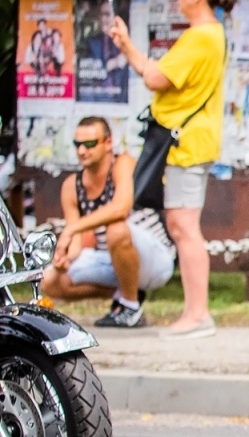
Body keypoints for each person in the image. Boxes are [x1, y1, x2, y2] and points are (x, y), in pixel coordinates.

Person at [109, 0, 234, 339]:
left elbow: (155, 77)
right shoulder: (212, 34)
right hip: (191, 142)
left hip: (186, 145)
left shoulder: (201, 36)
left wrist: (128, 47)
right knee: (182, 227)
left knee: (184, 228)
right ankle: (195, 313)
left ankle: (197, 314)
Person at [42, 116, 173, 327]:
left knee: (116, 229)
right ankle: (125, 295)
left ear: (108, 143)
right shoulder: (71, 186)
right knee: (50, 281)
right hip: (113, 261)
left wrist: (71, 229)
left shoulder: (123, 164)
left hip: (155, 260)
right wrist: (61, 260)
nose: (82, 150)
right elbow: (75, 245)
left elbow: (120, 209)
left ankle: (130, 308)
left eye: (90, 144)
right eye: (78, 144)